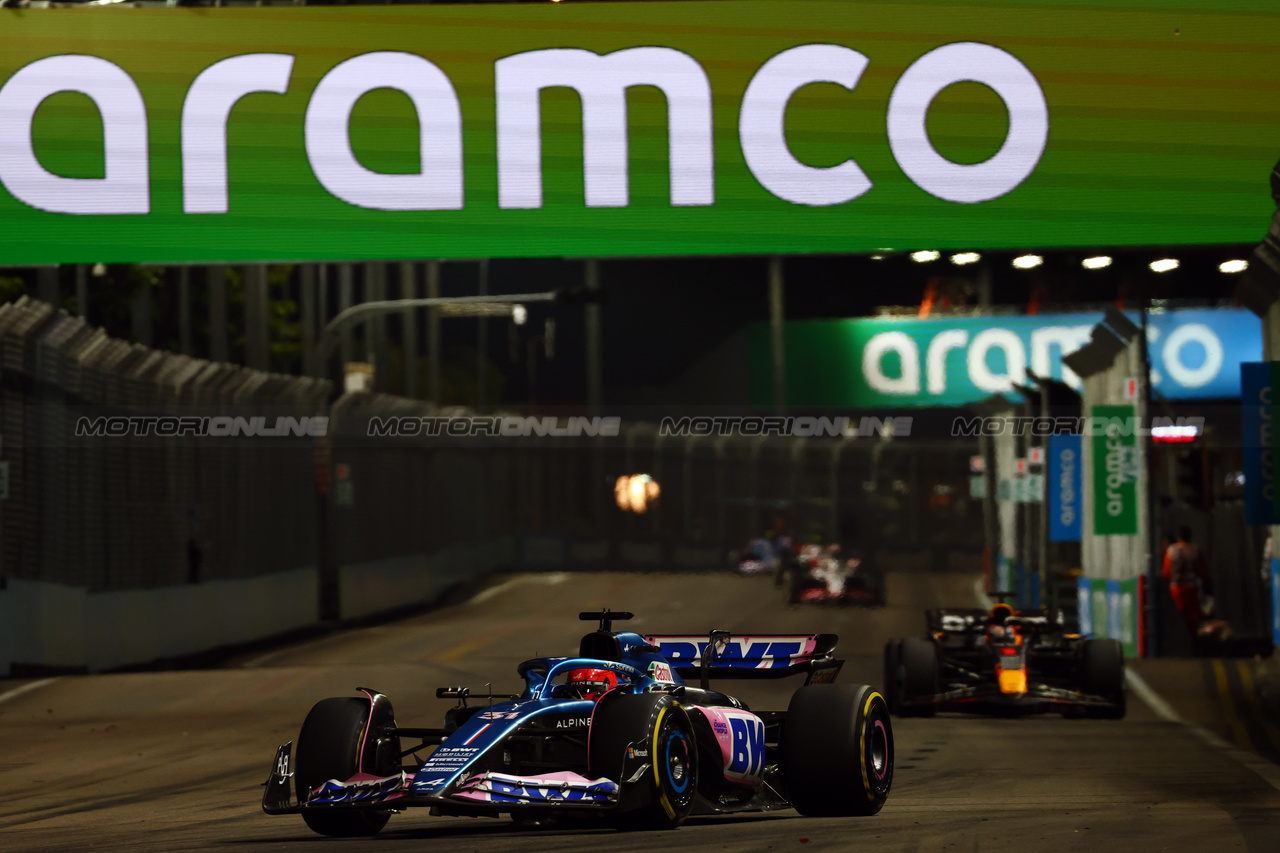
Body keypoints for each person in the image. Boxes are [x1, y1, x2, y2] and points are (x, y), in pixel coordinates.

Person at [1162, 526, 1212, 641]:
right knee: (1194, 616)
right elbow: (1202, 571)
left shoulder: (1171, 550)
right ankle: (1195, 639)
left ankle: (1182, 640)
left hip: (1176, 589)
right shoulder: (1195, 550)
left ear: (1179, 537)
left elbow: (1166, 572)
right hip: (1192, 588)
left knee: (1180, 615)